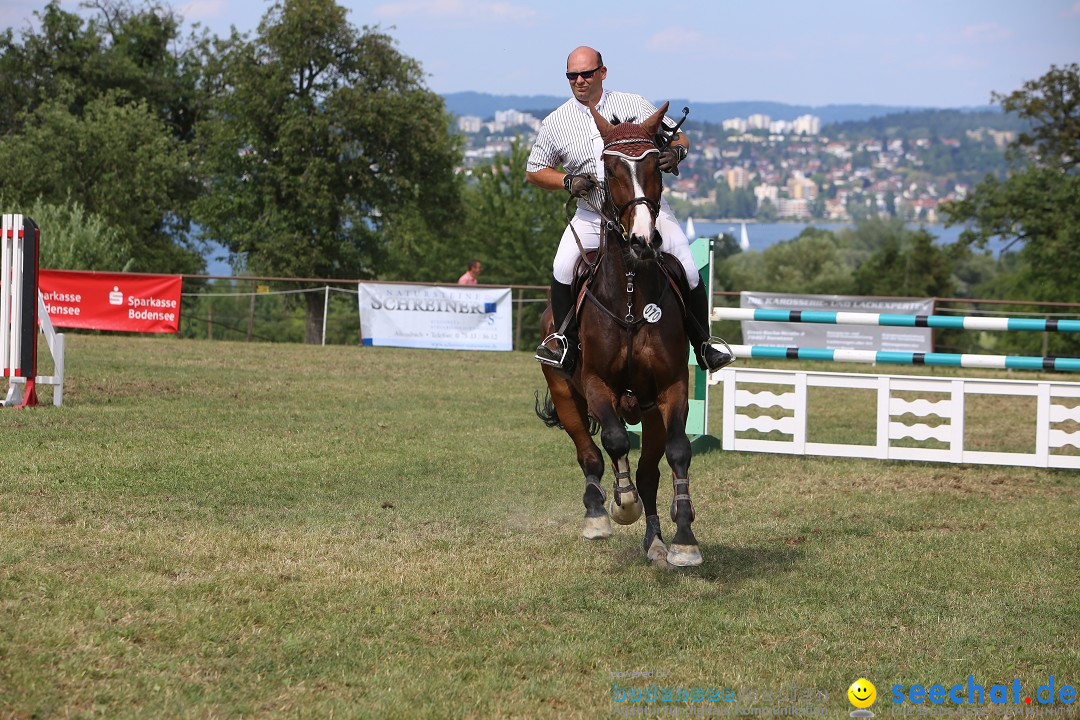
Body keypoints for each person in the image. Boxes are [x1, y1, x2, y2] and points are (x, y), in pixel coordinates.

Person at [527, 46, 732, 376]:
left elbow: (678, 137)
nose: (579, 81)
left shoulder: (633, 104)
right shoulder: (555, 123)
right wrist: (567, 181)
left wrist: (675, 155)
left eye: (586, 74)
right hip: (593, 214)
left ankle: (705, 344)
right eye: (572, 76)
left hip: (645, 211)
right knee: (562, 265)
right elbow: (535, 170)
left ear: (602, 73)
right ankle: (563, 344)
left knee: (688, 265)